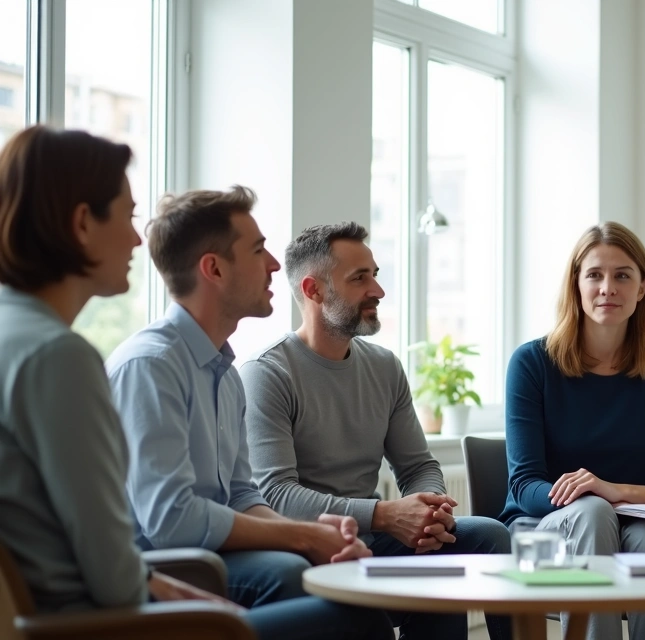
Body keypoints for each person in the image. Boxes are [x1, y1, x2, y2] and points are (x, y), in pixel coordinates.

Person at [0, 125, 390, 639]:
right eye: (127, 216)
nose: (137, 238)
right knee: (356, 612)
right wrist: (293, 542)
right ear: (82, 223)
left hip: (108, 595)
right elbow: (135, 552)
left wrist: (304, 533)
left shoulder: (223, 372)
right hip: (91, 620)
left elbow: (238, 494)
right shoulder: (67, 357)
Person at [105, 185, 392, 636]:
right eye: (258, 250)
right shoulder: (151, 366)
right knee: (302, 579)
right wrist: (302, 536)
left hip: (216, 554)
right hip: (165, 568)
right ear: (214, 268)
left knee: (347, 589)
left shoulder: (224, 372)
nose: (275, 264)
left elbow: (242, 495)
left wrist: (318, 538)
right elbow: (171, 521)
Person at [241, 221, 512, 640]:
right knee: (438, 559)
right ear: (314, 290)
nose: (378, 291)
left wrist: (430, 513)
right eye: (359, 278)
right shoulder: (267, 373)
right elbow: (277, 496)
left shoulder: (384, 367)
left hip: (375, 539)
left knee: (487, 536)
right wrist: (386, 515)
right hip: (309, 549)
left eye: (375, 275)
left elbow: (418, 466)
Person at [502, 221, 645, 640]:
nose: (607, 288)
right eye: (595, 275)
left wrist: (615, 490)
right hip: (539, 540)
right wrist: (593, 497)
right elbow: (524, 486)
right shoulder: (531, 363)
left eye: (622, 276)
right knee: (592, 512)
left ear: (642, 288)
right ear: (576, 284)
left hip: (633, 530)